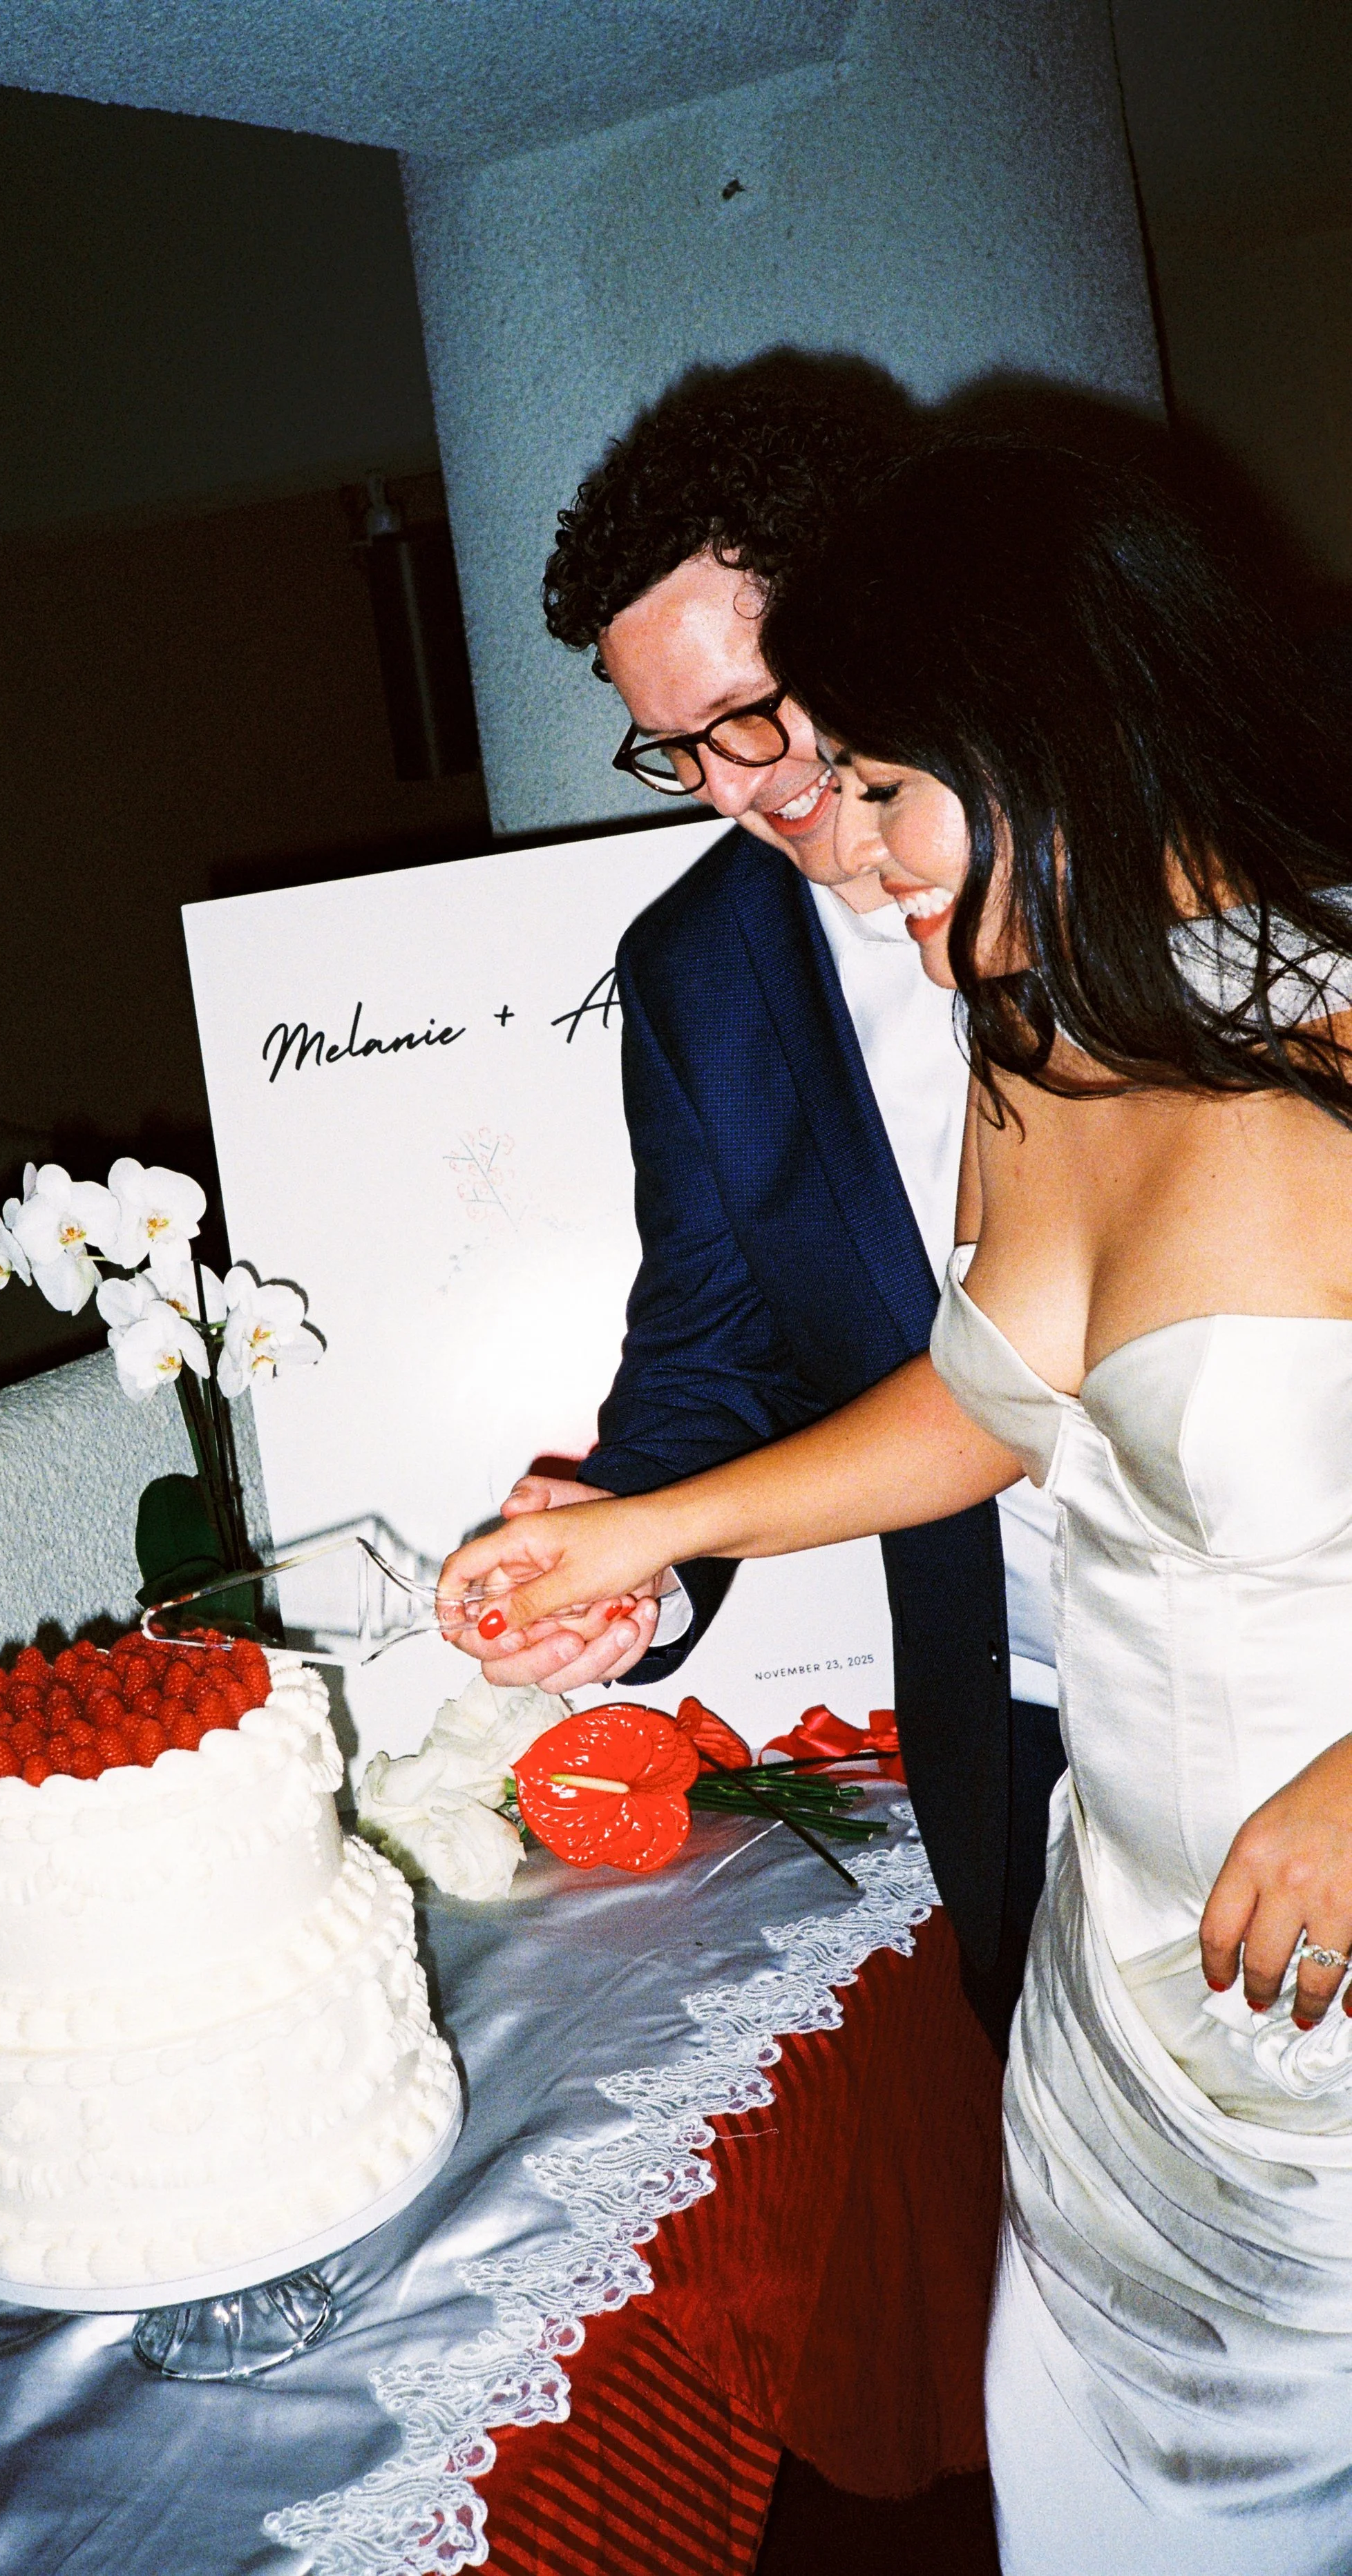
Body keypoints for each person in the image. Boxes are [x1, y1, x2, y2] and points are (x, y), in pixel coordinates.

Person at [440, 439, 1352, 2569]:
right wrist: (642, 1533)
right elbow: (981, 1401)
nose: (816, 837)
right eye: (704, 763)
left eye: (849, 769)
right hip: (1119, 1967)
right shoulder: (1036, 1026)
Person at [455, 353, 1064, 2035]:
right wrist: (624, 1563)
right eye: (678, 750)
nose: (741, 780)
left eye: (758, 703)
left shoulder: (1177, 854)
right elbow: (715, 1354)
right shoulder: (696, 970)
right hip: (1012, 1713)